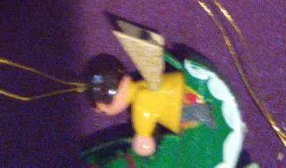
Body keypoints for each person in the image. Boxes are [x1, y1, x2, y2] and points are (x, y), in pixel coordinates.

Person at [85, 54, 215, 157]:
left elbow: (145, 144)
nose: (102, 113)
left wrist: (139, 146)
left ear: (112, 97)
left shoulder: (140, 105)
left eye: (103, 110)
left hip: (190, 109)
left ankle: (206, 115)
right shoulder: (142, 85)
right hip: (187, 90)